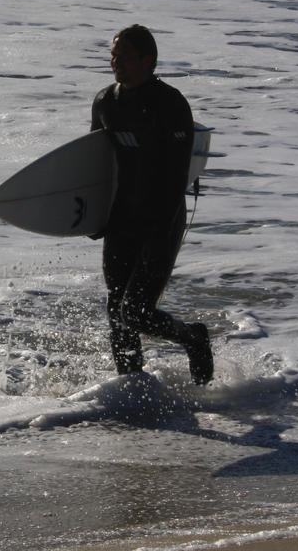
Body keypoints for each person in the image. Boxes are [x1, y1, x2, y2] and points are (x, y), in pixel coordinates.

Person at [90, 25, 214, 384]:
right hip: (121, 218)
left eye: (125, 57)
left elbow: (177, 175)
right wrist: (93, 218)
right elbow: (94, 165)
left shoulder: (171, 104)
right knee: (117, 311)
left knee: (137, 312)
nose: (117, 63)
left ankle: (193, 337)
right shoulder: (105, 103)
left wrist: (159, 227)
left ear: (149, 61)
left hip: (162, 219)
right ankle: (132, 387)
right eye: (114, 56)